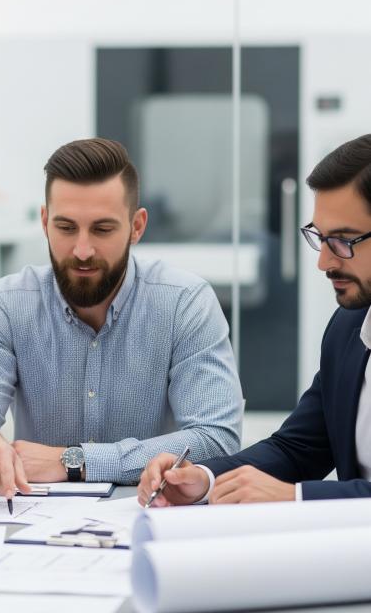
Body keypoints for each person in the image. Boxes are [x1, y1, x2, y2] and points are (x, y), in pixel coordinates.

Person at [0, 137, 242, 497]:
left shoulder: (184, 304)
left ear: (137, 226)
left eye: (102, 229)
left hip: (150, 514)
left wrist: (76, 461)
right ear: (45, 221)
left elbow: (217, 438)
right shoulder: (6, 304)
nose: (82, 250)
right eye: (66, 228)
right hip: (35, 522)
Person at [137, 134, 371, 505]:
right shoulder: (349, 330)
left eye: (343, 241)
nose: (324, 262)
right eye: (320, 238)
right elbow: (297, 448)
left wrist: (296, 497)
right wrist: (205, 478)